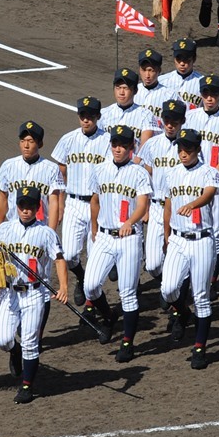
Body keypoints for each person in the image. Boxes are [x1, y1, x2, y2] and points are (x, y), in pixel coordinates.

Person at [0, 186, 69, 404]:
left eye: (30, 206)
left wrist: (64, 286)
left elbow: (58, 259)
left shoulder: (46, 232)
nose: (25, 210)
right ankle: (14, 351)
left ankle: (27, 386)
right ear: (16, 206)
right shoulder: (4, 230)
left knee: (31, 342)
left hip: (34, 294)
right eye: (22, 206)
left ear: (37, 207)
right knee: (4, 340)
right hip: (9, 294)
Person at [83, 125, 151, 362]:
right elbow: (94, 200)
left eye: (123, 145)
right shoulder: (99, 169)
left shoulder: (140, 173)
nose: (118, 149)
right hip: (103, 235)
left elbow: (143, 205)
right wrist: (93, 227)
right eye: (115, 144)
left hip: (129, 239)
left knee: (128, 293)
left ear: (132, 147)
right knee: (90, 286)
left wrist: (130, 221)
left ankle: (127, 343)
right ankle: (110, 316)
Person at [0, 121, 65, 346]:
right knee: (13, 280)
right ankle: (18, 337)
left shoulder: (51, 168)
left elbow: (54, 203)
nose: (26, 145)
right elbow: (2, 198)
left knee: (40, 285)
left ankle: (34, 334)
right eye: (23, 140)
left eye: (31, 141)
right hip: (13, 234)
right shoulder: (8, 165)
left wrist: (50, 234)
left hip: (39, 234)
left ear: (40, 144)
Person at [161, 128, 219, 367]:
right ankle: (183, 313)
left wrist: (193, 203)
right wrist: (166, 235)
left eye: (188, 149)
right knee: (168, 290)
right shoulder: (171, 173)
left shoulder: (208, 172)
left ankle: (200, 347)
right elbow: (167, 204)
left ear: (198, 149)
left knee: (201, 296)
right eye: (180, 149)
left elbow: (209, 194)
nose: (183, 153)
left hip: (202, 240)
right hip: (177, 238)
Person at [51, 97, 111, 308]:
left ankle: (90, 306)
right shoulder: (68, 139)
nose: (86, 120)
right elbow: (61, 171)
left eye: (91, 117)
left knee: (95, 258)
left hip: (98, 205)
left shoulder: (107, 141)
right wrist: (61, 202)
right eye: (83, 116)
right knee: (69, 255)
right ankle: (81, 276)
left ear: (98, 117)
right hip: (74, 203)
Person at [184, 74, 219, 299]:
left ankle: (212, 279)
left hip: (218, 182)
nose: (209, 98)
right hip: (195, 180)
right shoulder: (191, 117)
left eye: (214, 94)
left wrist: (218, 170)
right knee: (193, 226)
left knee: (214, 230)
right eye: (206, 94)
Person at [138, 99, 187, 283]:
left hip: (180, 208)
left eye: (174, 122)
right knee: (152, 265)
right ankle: (165, 280)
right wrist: (146, 208)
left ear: (182, 121)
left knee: (178, 253)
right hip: (157, 207)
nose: (169, 125)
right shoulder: (151, 144)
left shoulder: (189, 145)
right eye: (167, 120)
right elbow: (146, 176)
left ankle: (174, 286)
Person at [99, 68, 160, 148]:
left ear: (135, 91)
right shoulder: (104, 114)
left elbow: (144, 149)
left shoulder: (145, 115)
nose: (121, 92)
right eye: (118, 87)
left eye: (125, 88)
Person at [133, 48, 181, 123]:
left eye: (151, 70)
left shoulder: (170, 95)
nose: (147, 75)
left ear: (159, 70)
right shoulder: (132, 91)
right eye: (144, 70)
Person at [160, 38, 205, 111]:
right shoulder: (162, 81)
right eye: (179, 59)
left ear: (194, 59)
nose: (182, 63)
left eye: (186, 59)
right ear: (174, 58)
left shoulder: (202, 83)